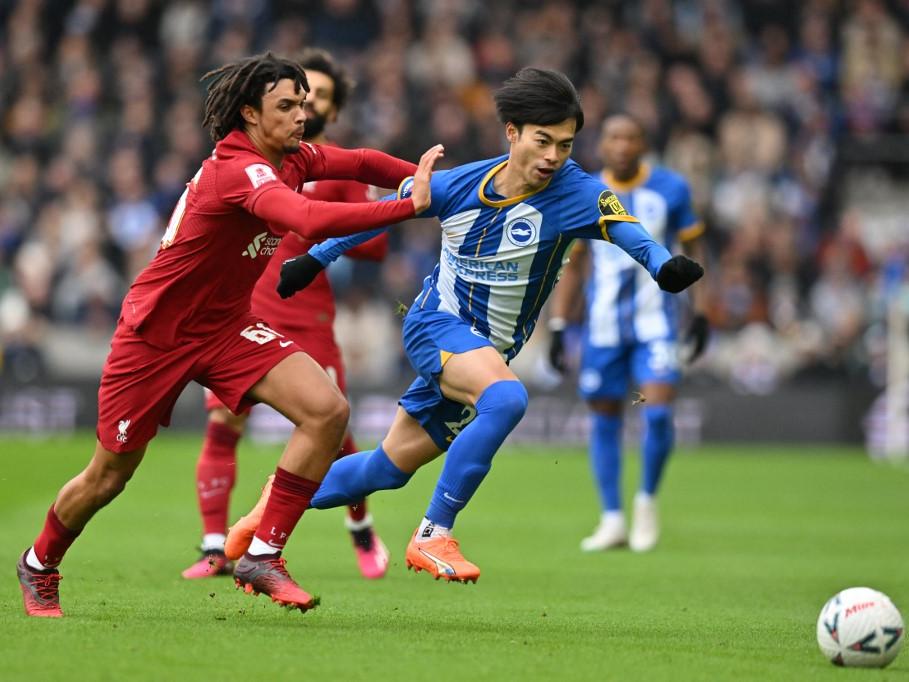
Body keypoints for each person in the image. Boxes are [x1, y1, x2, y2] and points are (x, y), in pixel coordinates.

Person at [225, 68, 704, 584]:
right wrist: (315, 260)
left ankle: (267, 508)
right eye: (543, 141)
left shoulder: (579, 193)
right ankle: (433, 534)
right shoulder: (457, 184)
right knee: (508, 399)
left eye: (565, 145)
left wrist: (663, 266)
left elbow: (629, 230)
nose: (553, 157)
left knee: (385, 468)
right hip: (436, 324)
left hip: (485, 349)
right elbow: (386, 211)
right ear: (512, 133)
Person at [16, 52, 444, 617]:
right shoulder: (239, 169)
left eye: (304, 105)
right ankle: (39, 564)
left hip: (225, 327)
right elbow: (309, 222)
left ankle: (263, 554)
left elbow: (360, 161)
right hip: (156, 337)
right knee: (109, 475)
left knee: (326, 410)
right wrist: (405, 206)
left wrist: (437, 178)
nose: (301, 116)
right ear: (248, 113)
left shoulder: (290, 155)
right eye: (286, 106)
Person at [183, 49, 391, 582]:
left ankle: (360, 527)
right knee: (222, 421)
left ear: (331, 109)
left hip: (308, 313)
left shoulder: (324, 165)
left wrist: (327, 234)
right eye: (301, 95)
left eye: (318, 96)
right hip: (249, 308)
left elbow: (374, 244)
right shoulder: (251, 163)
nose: (309, 104)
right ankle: (215, 548)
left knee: (333, 421)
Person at [548, 114, 709, 553]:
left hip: (656, 322)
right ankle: (612, 518)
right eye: (614, 137)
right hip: (602, 326)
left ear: (643, 145)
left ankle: (646, 503)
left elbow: (693, 249)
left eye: (631, 137)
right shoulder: (583, 190)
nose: (622, 145)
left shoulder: (671, 189)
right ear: (602, 145)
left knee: (657, 413)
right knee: (604, 418)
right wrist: (560, 325)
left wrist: (701, 310)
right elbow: (575, 262)